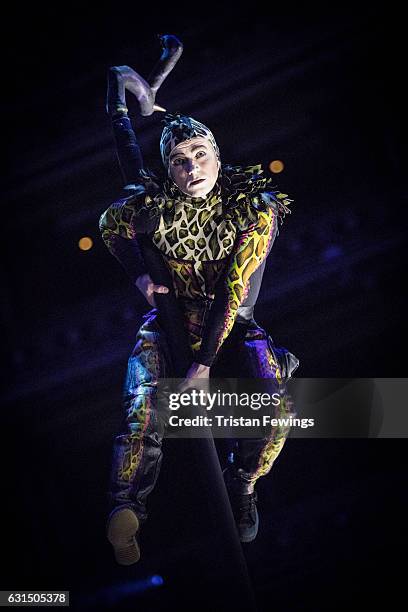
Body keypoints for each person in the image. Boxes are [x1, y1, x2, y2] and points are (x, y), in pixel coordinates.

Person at [99, 59, 298, 566]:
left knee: (276, 413)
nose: (192, 169)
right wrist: (141, 276)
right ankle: (127, 509)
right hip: (169, 324)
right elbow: (110, 223)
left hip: (230, 326)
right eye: (180, 162)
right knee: (141, 408)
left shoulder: (254, 208)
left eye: (199, 155)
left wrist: (204, 362)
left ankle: (244, 479)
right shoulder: (155, 205)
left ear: (215, 155)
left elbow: (236, 290)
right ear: (169, 170)